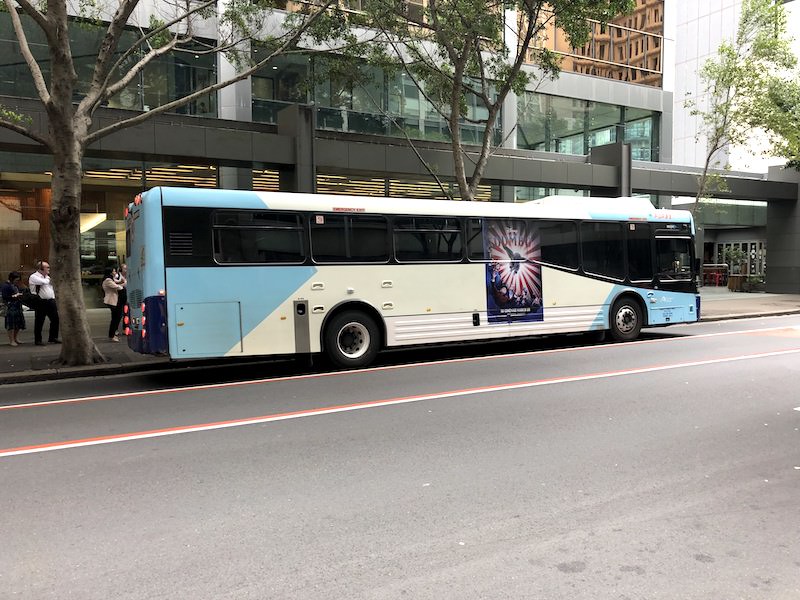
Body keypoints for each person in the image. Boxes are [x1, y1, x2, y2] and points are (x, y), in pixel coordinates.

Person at [28, 260, 60, 346]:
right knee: (39, 321)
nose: (49, 269)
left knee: (55, 319)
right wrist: (50, 279)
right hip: (40, 301)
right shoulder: (34, 277)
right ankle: (38, 340)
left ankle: (53, 337)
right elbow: (43, 282)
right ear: (41, 268)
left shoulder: (47, 277)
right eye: (47, 267)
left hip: (50, 301)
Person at [1, 271, 25, 346]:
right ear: (12, 279)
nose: (17, 281)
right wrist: (14, 296)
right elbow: (5, 297)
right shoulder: (6, 286)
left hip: (17, 305)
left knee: (18, 323)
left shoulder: (15, 285)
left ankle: (15, 338)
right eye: (16, 280)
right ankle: (11, 340)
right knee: (11, 324)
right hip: (10, 306)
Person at [102, 267, 124, 342]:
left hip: (114, 301)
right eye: (114, 271)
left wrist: (121, 281)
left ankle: (113, 334)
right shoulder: (108, 280)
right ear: (110, 272)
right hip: (112, 301)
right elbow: (118, 287)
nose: (115, 272)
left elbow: (118, 281)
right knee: (115, 318)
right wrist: (123, 284)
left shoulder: (110, 279)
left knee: (116, 318)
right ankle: (112, 335)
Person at [114, 263, 128, 336]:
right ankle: (115, 329)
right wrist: (123, 284)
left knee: (126, 313)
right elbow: (114, 285)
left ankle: (125, 329)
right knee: (118, 314)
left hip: (126, 296)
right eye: (125, 268)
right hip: (119, 296)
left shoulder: (128, 275)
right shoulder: (117, 276)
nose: (126, 270)